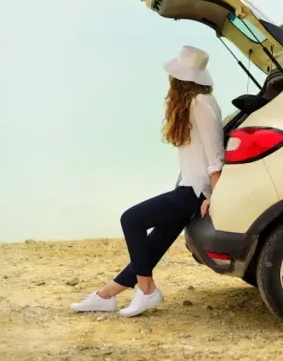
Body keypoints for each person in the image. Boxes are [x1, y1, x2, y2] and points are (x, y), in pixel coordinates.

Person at [70, 45, 224, 317]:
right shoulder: (195, 102)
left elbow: (215, 156)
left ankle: (147, 290)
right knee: (152, 246)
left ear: (179, 78)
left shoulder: (200, 104)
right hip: (188, 187)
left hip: (196, 192)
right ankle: (106, 296)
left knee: (131, 219)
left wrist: (215, 196)